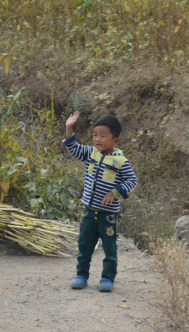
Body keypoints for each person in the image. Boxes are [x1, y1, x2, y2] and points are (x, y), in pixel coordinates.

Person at [62, 112, 138, 292]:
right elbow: (74, 148)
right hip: (89, 211)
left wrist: (115, 192)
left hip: (109, 215)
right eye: (95, 135)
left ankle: (107, 279)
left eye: (103, 136)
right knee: (84, 245)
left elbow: (132, 181)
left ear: (115, 141)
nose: (97, 139)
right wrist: (69, 127)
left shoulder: (120, 161)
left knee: (110, 248)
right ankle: (81, 275)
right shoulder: (91, 153)